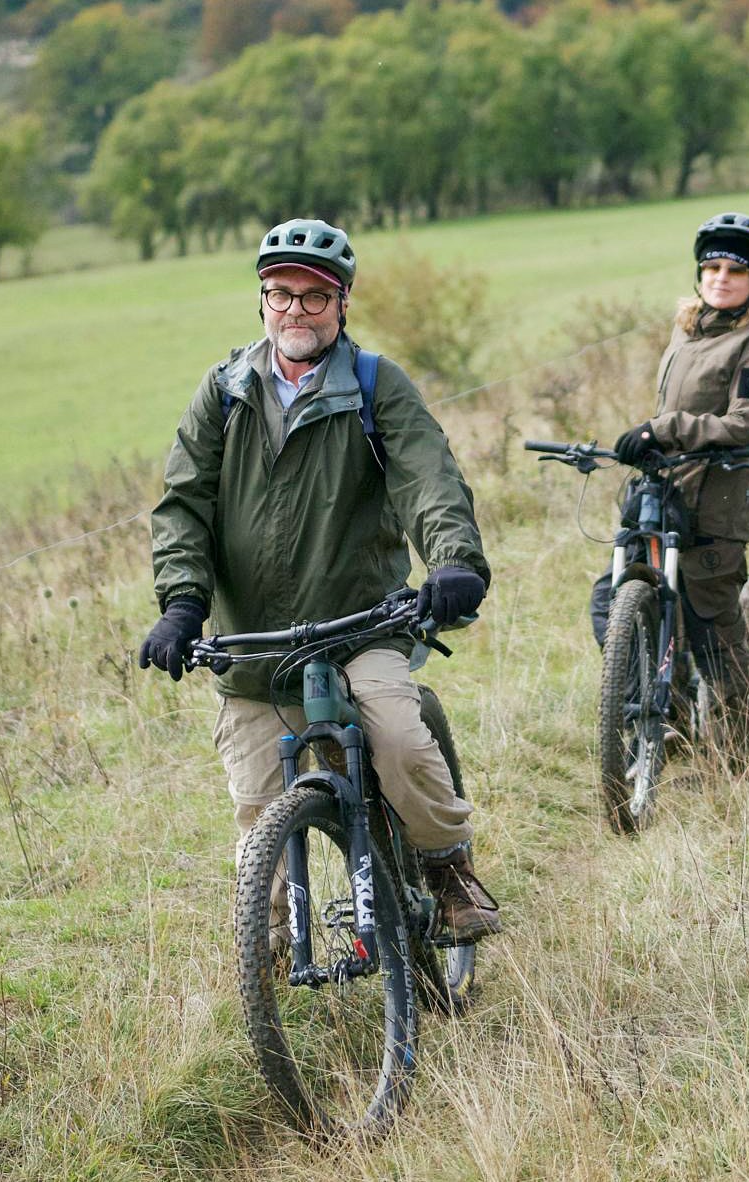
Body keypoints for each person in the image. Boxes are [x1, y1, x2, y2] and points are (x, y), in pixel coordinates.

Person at [139, 217, 501, 943]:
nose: (295, 311)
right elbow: (184, 505)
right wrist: (182, 603)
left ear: (341, 304)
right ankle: (268, 958)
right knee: (257, 812)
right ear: (261, 302)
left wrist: (453, 560)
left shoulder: (374, 385)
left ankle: (447, 871)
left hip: (360, 625)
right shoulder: (224, 392)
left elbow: (427, 479)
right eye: (280, 295)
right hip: (255, 645)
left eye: (313, 297)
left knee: (399, 740)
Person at [592, 212, 749, 748]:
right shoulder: (687, 328)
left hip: (715, 504)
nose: (721, 278)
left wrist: (665, 429)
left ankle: (736, 757)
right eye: (712, 268)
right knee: (614, 602)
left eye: (736, 271)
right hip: (663, 493)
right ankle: (664, 721)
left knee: (714, 632)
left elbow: (746, 423)